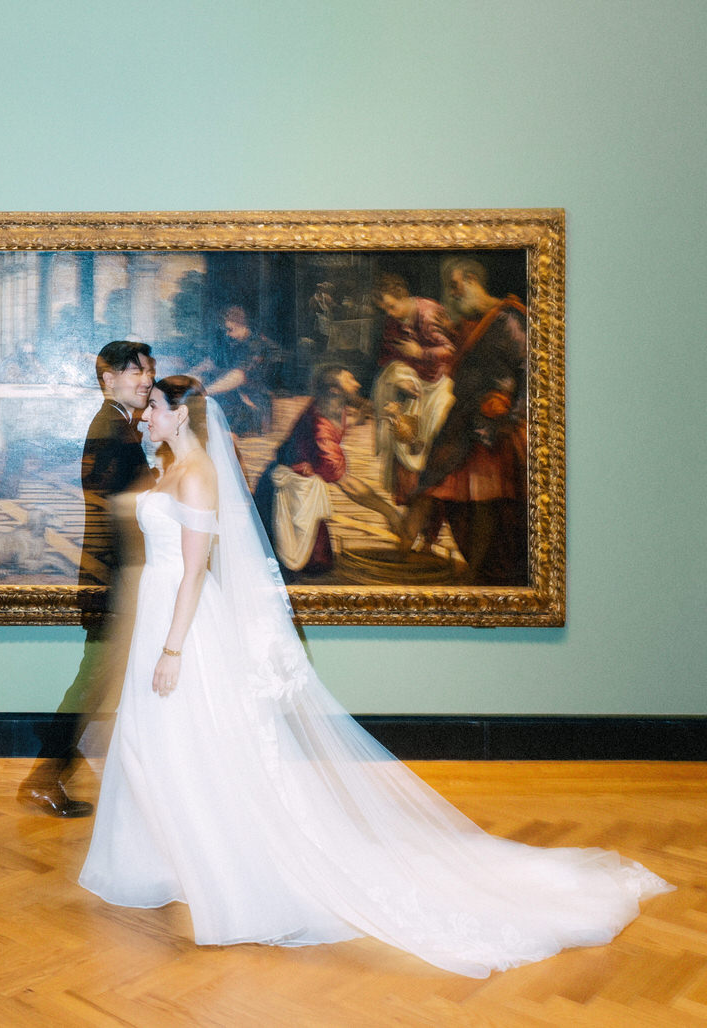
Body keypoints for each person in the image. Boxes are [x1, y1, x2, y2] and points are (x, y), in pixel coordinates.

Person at [79, 375, 671, 978]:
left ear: (181, 416)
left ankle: (229, 874)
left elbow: (193, 572)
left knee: (187, 747)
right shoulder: (171, 469)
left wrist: (173, 649)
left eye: (152, 406)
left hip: (183, 630)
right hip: (161, 621)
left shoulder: (199, 473)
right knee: (154, 745)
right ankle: (160, 863)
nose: (144, 414)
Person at [17, 340, 157, 817]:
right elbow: (114, 509)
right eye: (135, 371)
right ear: (108, 379)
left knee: (99, 681)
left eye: (148, 371)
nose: (146, 379)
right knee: (95, 682)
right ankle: (47, 772)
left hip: (112, 576)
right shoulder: (112, 428)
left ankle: (52, 766)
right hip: (113, 578)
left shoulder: (119, 425)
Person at [399, 260, 528, 583]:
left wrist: (514, 415)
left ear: (472, 280)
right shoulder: (470, 322)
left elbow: (528, 369)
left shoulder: (510, 319)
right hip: (461, 420)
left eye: (455, 286)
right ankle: (398, 560)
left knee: (485, 502)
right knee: (429, 488)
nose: (453, 296)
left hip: (492, 421)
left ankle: (474, 573)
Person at [254, 365, 402, 577]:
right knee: (298, 565)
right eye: (350, 380)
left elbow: (351, 419)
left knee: (318, 561)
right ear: (335, 390)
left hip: (303, 490)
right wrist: (390, 513)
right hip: (288, 495)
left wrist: (382, 414)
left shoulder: (330, 406)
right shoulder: (321, 431)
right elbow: (349, 485)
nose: (357, 384)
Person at [370, 274, 457, 524]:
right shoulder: (392, 322)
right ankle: (411, 514)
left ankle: (430, 520)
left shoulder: (428, 313)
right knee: (404, 440)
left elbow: (451, 350)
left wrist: (421, 352)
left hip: (439, 385)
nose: (389, 312)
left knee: (433, 449)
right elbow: (387, 357)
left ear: (403, 296)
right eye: (384, 308)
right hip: (413, 386)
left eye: (391, 305)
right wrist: (400, 377)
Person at [193, 305, 273, 436]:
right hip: (233, 396)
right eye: (226, 330)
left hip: (252, 403)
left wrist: (205, 391)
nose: (227, 333)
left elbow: (238, 376)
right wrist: (190, 376)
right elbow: (212, 362)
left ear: (241, 325)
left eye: (230, 329)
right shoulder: (231, 341)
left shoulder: (256, 345)